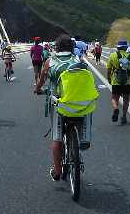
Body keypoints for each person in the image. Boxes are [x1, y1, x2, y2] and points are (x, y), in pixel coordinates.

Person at [33, 34, 98, 181]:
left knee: (57, 137)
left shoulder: (50, 61)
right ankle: (84, 138)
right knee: (86, 111)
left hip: (60, 104)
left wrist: (37, 90)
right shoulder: (78, 60)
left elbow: (42, 80)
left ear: (56, 47)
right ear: (72, 47)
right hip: (80, 104)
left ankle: (57, 171)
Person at [106, 39, 130, 125]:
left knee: (114, 98)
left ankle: (115, 108)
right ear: (126, 47)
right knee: (126, 100)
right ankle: (124, 116)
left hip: (116, 81)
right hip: (128, 81)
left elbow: (109, 69)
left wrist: (109, 79)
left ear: (118, 47)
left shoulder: (112, 55)